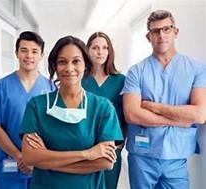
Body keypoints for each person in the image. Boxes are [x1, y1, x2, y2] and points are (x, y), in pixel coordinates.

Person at [19, 36, 123, 189]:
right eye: (62, 62)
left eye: (76, 61)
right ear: (54, 66)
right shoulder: (37, 105)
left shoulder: (102, 107)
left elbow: (105, 162)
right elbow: (30, 157)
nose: (69, 68)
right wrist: (86, 154)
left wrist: (48, 161)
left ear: (86, 65)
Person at [121, 10, 206, 189]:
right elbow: (132, 114)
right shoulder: (136, 71)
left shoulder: (196, 69)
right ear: (148, 36)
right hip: (142, 157)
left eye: (166, 29)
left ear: (176, 32)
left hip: (177, 158)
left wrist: (155, 107)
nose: (161, 35)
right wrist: (181, 119)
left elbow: (199, 115)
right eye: (155, 31)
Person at [0, 31, 55, 189]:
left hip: (42, 168)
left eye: (34, 51)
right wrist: (20, 156)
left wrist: (36, 159)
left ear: (41, 55)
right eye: (24, 50)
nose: (29, 56)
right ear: (16, 53)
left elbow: (55, 129)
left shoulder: (50, 88)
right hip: (11, 165)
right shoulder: (2, 87)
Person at [82, 32, 126, 189]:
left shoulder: (121, 80)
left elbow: (126, 114)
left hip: (111, 148)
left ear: (110, 51)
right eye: (95, 47)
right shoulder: (80, 79)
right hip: (84, 146)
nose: (100, 52)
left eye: (105, 48)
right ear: (87, 50)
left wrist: (121, 143)